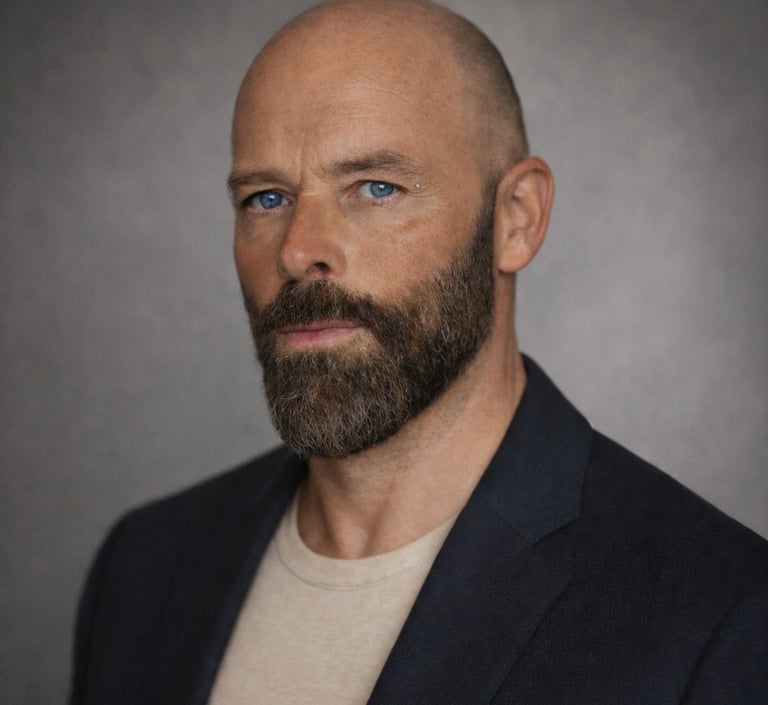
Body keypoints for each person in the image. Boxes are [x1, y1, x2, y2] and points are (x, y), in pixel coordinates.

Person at [69, 1, 768, 703]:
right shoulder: (144, 567)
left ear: (515, 218)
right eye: (266, 197)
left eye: (377, 188)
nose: (298, 248)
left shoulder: (721, 613)